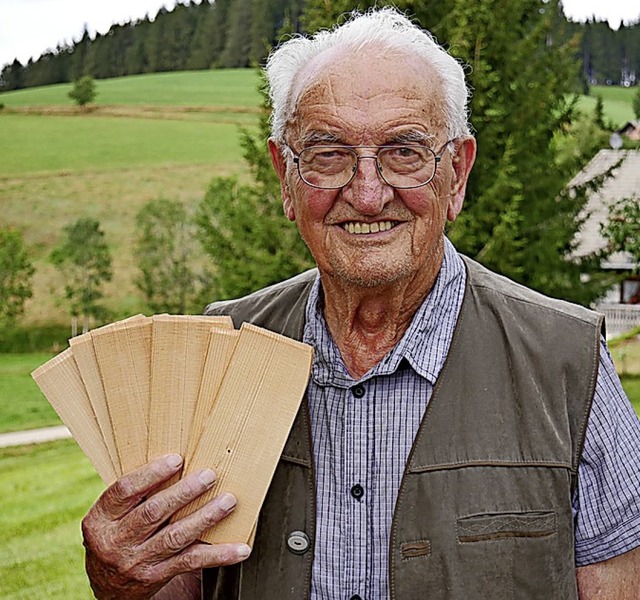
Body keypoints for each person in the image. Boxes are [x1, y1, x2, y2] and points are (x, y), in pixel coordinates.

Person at [82, 8, 640, 599]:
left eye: (405, 151)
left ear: (457, 172)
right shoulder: (219, 353)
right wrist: (117, 577)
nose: (369, 194)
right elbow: (174, 588)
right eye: (328, 154)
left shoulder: (567, 362)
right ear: (285, 177)